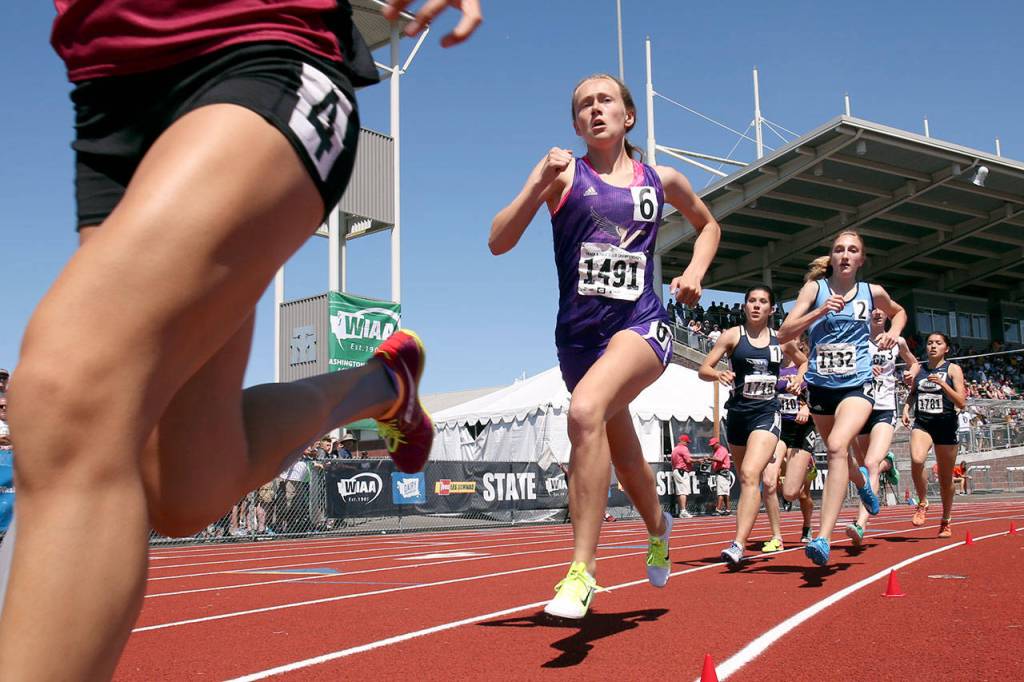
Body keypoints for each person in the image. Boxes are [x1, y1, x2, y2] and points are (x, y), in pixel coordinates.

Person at [0, 2, 483, 678]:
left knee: (67, 394)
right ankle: (382, 382)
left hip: (260, 51)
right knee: (186, 490)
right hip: (110, 93)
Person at [490, 73, 721, 619]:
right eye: (584, 105)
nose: (596, 110)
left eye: (606, 101)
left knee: (585, 409)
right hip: (578, 341)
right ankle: (659, 525)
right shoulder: (561, 174)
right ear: (576, 124)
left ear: (628, 116)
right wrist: (534, 185)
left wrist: (693, 270)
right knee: (627, 458)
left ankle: (582, 572)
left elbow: (707, 225)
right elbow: (498, 241)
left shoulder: (659, 179)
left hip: (641, 327)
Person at [778, 230, 907, 566]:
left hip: (858, 385)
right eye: (839, 250)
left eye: (852, 250)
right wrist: (819, 313)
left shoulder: (871, 292)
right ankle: (862, 482)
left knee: (836, 446)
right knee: (841, 457)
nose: (845, 255)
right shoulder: (814, 290)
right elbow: (784, 334)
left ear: (861, 259)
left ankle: (822, 537)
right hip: (821, 386)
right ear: (832, 258)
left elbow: (900, 311)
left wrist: (893, 333)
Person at [698, 285, 806, 566]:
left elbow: (805, 363)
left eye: (763, 302)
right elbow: (703, 369)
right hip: (737, 416)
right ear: (745, 306)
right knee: (749, 480)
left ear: (771, 309)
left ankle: (738, 544)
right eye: (752, 301)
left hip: (766, 415)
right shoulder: (732, 335)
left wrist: (799, 378)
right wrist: (717, 373)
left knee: (748, 475)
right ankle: (752, 535)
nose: (756, 306)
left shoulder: (781, 338)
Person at [845, 308, 918, 546]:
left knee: (870, 465)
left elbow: (914, 363)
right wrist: (862, 369)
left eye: (882, 310)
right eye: (872, 309)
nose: (877, 313)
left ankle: (860, 524)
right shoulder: (856, 340)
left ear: (888, 316)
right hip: (860, 406)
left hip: (884, 407)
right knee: (863, 467)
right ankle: (888, 463)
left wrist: (910, 374)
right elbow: (844, 370)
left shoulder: (897, 341)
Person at [903, 333, 967, 536]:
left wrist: (943, 384)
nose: (933, 346)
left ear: (946, 348)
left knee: (946, 479)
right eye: (930, 343)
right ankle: (922, 502)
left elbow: (961, 402)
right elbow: (913, 393)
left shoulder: (953, 369)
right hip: (923, 423)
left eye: (938, 343)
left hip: (946, 425)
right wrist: (906, 408)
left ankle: (946, 520)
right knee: (916, 458)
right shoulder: (920, 369)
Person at [769, 334, 817, 548]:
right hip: (780, 430)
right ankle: (776, 535)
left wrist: (807, 407)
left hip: (802, 430)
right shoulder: (773, 367)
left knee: (800, 492)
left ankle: (807, 525)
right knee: (769, 480)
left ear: (801, 343)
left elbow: (822, 400)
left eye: (794, 337)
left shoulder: (809, 366)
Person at [670, 434, 694, 518]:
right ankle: (683, 511)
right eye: (687, 442)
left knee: (680, 492)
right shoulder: (684, 448)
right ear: (683, 441)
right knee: (683, 491)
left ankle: (681, 510)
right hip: (682, 471)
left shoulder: (675, 449)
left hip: (676, 470)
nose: (687, 444)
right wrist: (699, 460)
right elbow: (688, 460)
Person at [710, 437, 733, 515]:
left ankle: (718, 509)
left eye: (713, 445)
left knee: (721, 492)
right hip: (720, 472)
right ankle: (728, 509)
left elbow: (720, 459)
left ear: (717, 443)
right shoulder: (717, 450)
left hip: (722, 472)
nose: (712, 447)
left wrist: (710, 458)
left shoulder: (722, 450)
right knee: (724, 492)